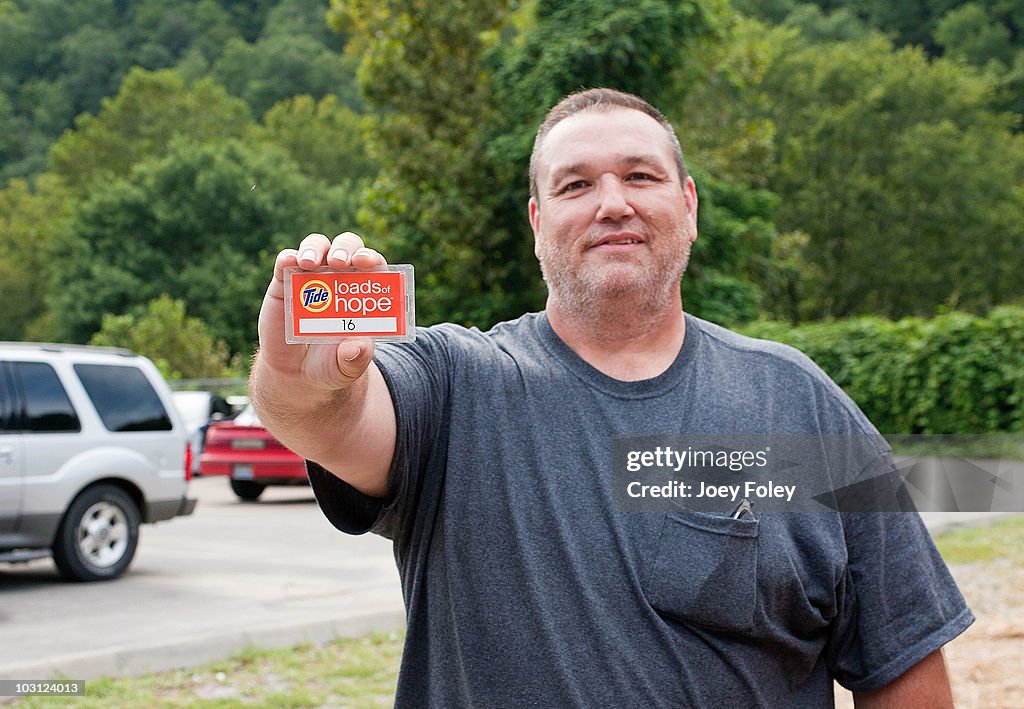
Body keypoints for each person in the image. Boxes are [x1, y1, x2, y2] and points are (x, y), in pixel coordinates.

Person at [250, 88, 973, 707]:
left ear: (688, 206)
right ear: (538, 223)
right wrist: (297, 378)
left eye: (640, 176)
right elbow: (330, 416)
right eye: (575, 185)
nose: (613, 203)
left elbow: (901, 657)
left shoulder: (799, 404)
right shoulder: (455, 387)